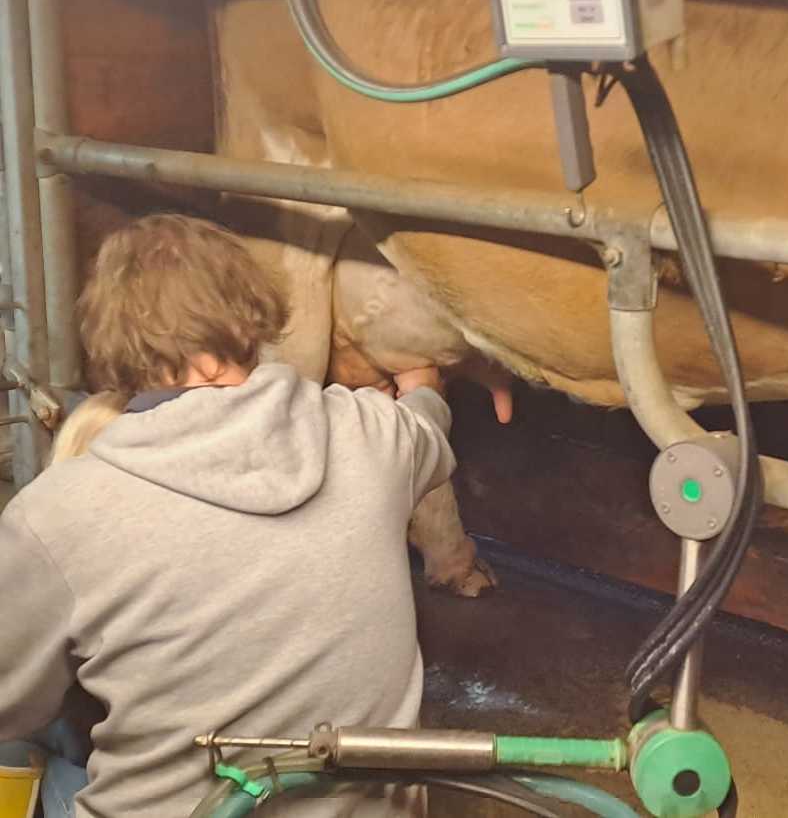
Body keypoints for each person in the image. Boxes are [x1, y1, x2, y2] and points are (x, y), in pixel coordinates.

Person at [0, 212, 452, 816]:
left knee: (30, 741)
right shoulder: (371, 433)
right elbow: (425, 417)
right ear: (249, 316)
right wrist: (423, 382)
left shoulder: (55, 514)